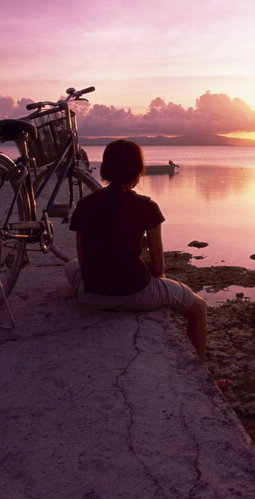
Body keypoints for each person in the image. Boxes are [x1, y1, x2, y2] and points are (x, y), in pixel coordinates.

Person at [64, 139, 208, 360]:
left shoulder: (85, 204)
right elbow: (159, 268)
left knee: (69, 265)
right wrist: (152, 275)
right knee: (198, 307)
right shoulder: (147, 207)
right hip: (134, 293)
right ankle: (203, 370)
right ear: (138, 170)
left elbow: (83, 262)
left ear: (105, 168)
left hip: (91, 294)